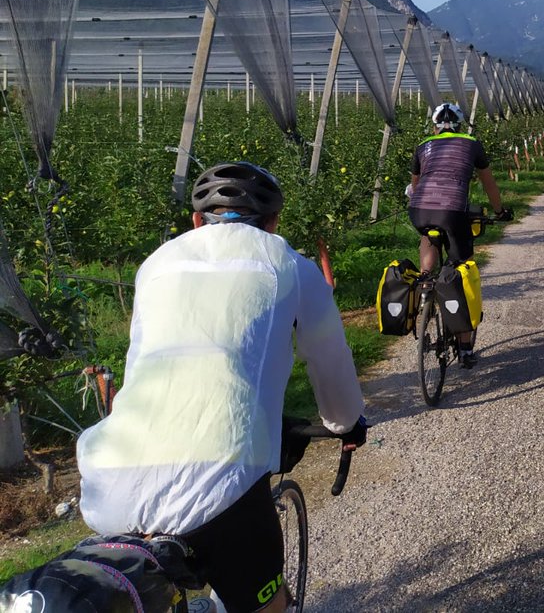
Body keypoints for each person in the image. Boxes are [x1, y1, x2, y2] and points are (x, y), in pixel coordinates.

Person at [75, 162, 367, 613]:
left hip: (109, 481)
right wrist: (345, 423)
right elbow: (330, 360)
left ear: (196, 220)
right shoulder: (289, 262)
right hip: (222, 481)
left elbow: (144, 362)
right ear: (273, 224)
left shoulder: (154, 264)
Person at [408, 102, 511, 368]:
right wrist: (499, 211)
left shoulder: (423, 145)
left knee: (427, 236)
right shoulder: (472, 143)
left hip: (419, 209)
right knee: (461, 270)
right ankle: (465, 347)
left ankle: (426, 283)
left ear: (435, 125)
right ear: (460, 125)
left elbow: (415, 185)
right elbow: (489, 183)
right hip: (453, 211)